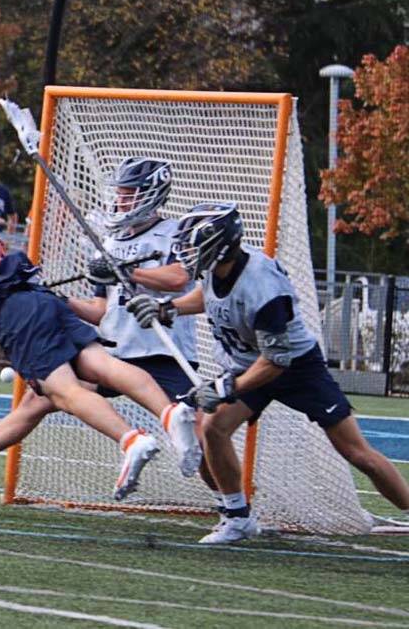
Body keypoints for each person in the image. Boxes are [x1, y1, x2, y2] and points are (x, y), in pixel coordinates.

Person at [0, 171, 195, 500]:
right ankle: (170, 413)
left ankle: (132, 440)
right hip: (42, 300)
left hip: (14, 316)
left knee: (65, 393)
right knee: (96, 366)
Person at [127, 201, 409, 544]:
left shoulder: (263, 285)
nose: (185, 252)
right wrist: (168, 308)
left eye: (193, 244)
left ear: (219, 243)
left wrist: (227, 387)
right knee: (213, 429)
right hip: (249, 364)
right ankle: (237, 517)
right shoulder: (218, 268)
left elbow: (276, 360)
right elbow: (210, 296)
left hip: (295, 367)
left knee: (357, 453)